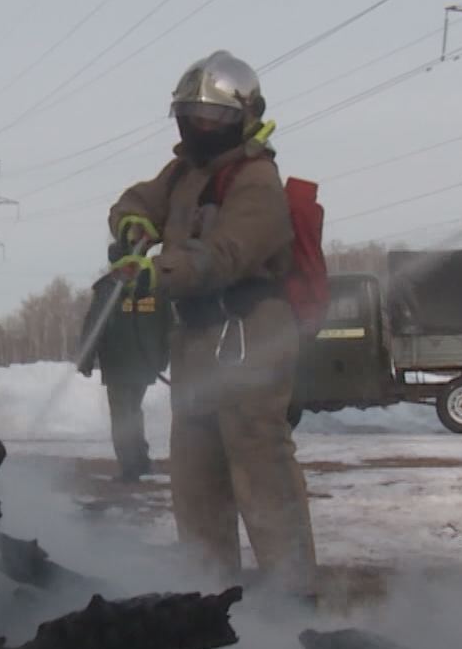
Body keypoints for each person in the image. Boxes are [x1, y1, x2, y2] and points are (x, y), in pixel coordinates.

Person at [107, 50, 317, 598]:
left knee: (258, 464)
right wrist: (132, 228)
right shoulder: (184, 173)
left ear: (242, 118)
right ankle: (209, 595)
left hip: (250, 329)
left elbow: (225, 254)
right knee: (195, 472)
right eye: (191, 116)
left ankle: (290, 597)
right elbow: (138, 201)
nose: (200, 128)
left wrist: (158, 272)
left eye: (212, 118)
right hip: (198, 334)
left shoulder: (255, 181)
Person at [77, 268, 171, 482]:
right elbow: (168, 323)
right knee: (133, 411)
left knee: (122, 415)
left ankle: (130, 467)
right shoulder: (154, 285)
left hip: (117, 362)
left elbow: (94, 323)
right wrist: (162, 357)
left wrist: (85, 358)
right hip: (145, 361)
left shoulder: (108, 288)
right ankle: (140, 460)